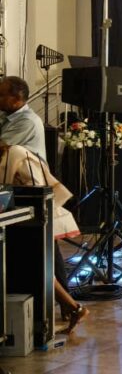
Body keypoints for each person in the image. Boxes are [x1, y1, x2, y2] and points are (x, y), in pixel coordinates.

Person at [1, 143, 89, 334]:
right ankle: (71, 308)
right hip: (32, 217)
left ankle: (73, 307)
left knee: (39, 266)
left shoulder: (15, 154)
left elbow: (33, 188)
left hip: (38, 217)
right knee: (43, 265)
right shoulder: (11, 154)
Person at [0, 76, 46, 159]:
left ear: (17, 99)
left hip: (22, 167)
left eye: (1, 95)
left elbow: (2, 149)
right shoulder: (6, 114)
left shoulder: (27, 121)